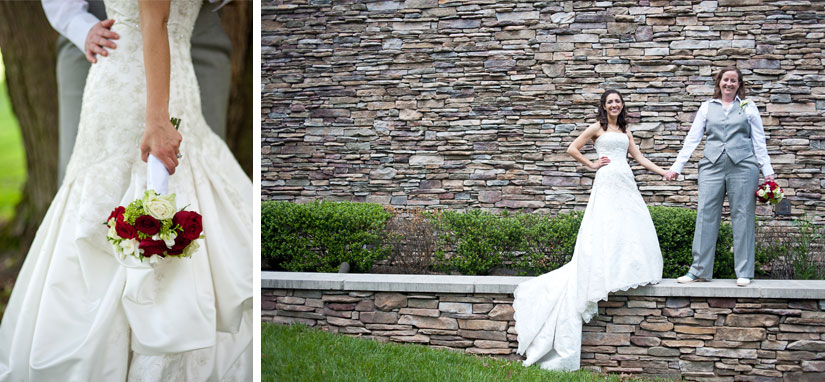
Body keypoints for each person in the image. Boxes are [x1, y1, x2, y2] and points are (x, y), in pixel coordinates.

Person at [0, 1, 252, 380]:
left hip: (178, 74)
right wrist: (157, 120)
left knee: (187, 189)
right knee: (108, 202)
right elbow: (156, 19)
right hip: (131, 82)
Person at [513, 89, 665, 370]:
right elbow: (572, 148)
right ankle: (601, 272)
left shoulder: (625, 131)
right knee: (604, 226)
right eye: (610, 101)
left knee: (628, 226)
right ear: (604, 106)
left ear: (622, 105)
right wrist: (592, 164)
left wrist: (664, 172)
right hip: (606, 180)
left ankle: (623, 269)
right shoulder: (597, 128)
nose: (614, 105)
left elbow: (640, 159)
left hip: (625, 181)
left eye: (618, 101)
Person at [41, 0, 232, 185]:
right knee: (92, 161)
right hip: (104, 35)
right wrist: (78, 26)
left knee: (201, 159)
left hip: (196, 28)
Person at [665, 67, 775, 287]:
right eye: (726, 80)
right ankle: (698, 270)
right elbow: (692, 138)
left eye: (734, 81)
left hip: (744, 166)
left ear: (739, 84)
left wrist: (768, 173)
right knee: (706, 214)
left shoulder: (749, 107)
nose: (729, 84)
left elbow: (759, 142)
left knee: (743, 216)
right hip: (711, 166)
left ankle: (744, 272)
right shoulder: (707, 107)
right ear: (719, 82)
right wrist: (677, 166)